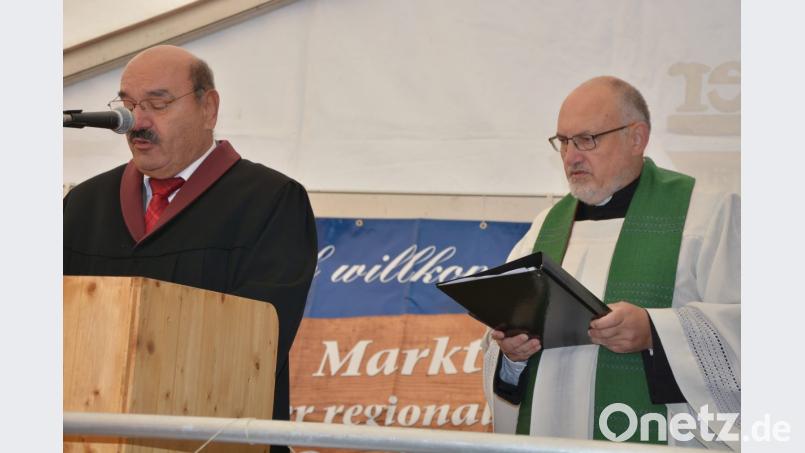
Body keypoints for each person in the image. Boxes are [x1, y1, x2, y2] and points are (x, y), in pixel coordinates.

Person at [63, 45, 318, 451]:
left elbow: (255, 346)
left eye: (158, 104)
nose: (136, 121)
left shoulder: (270, 201)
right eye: (128, 104)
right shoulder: (84, 205)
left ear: (208, 109)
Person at [481, 76, 740, 450]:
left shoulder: (706, 214)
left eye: (587, 139)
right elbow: (500, 341)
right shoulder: (544, 228)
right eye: (564, 142)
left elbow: (748, 329)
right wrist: (511, 355)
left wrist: (655, 331)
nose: (571, 156)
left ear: (637, 138)